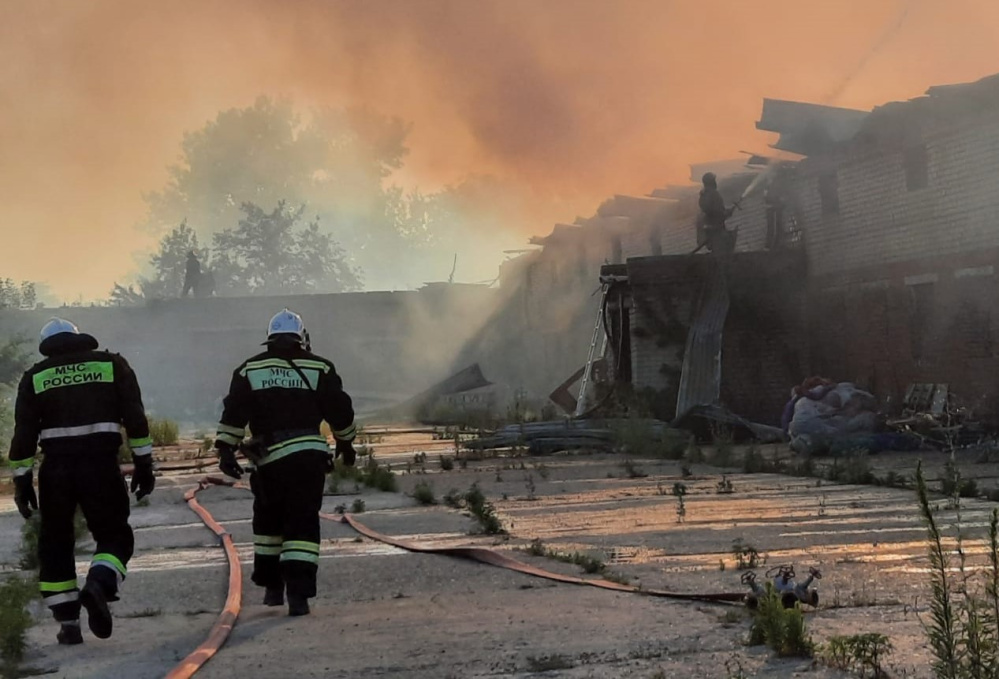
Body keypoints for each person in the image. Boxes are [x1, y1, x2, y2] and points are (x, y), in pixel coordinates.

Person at [6, 318, 155, 645]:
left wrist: (21, 481)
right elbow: (135, 417)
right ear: (79, 340)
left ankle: (68, 623)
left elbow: (24, 434)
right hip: (101, 466)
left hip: (56, 472)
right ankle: (99, 583)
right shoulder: (112, 365)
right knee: (114, 534)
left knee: (56, 542)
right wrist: (144, 463)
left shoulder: (36, 377)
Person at [213, 309, 357, 616]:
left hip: (269, 461)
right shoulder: (320, 367)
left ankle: (272, 587)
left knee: (268, 523)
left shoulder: (249, 369)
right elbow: (340, 409)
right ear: (301, 337)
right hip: (307, 457)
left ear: (269, 339)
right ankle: (299, 594)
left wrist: (225, 450)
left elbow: (234, 411)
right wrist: (345, 441)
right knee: (302, 523)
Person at [698, 172, 736, 253]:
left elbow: (711, 210)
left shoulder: (703, 195)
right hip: (717, 230)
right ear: (711, 182)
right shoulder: (714, 194)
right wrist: (727, 213)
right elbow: (718, 213)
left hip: (710, 230)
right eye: (714, 180)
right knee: (723, 251)